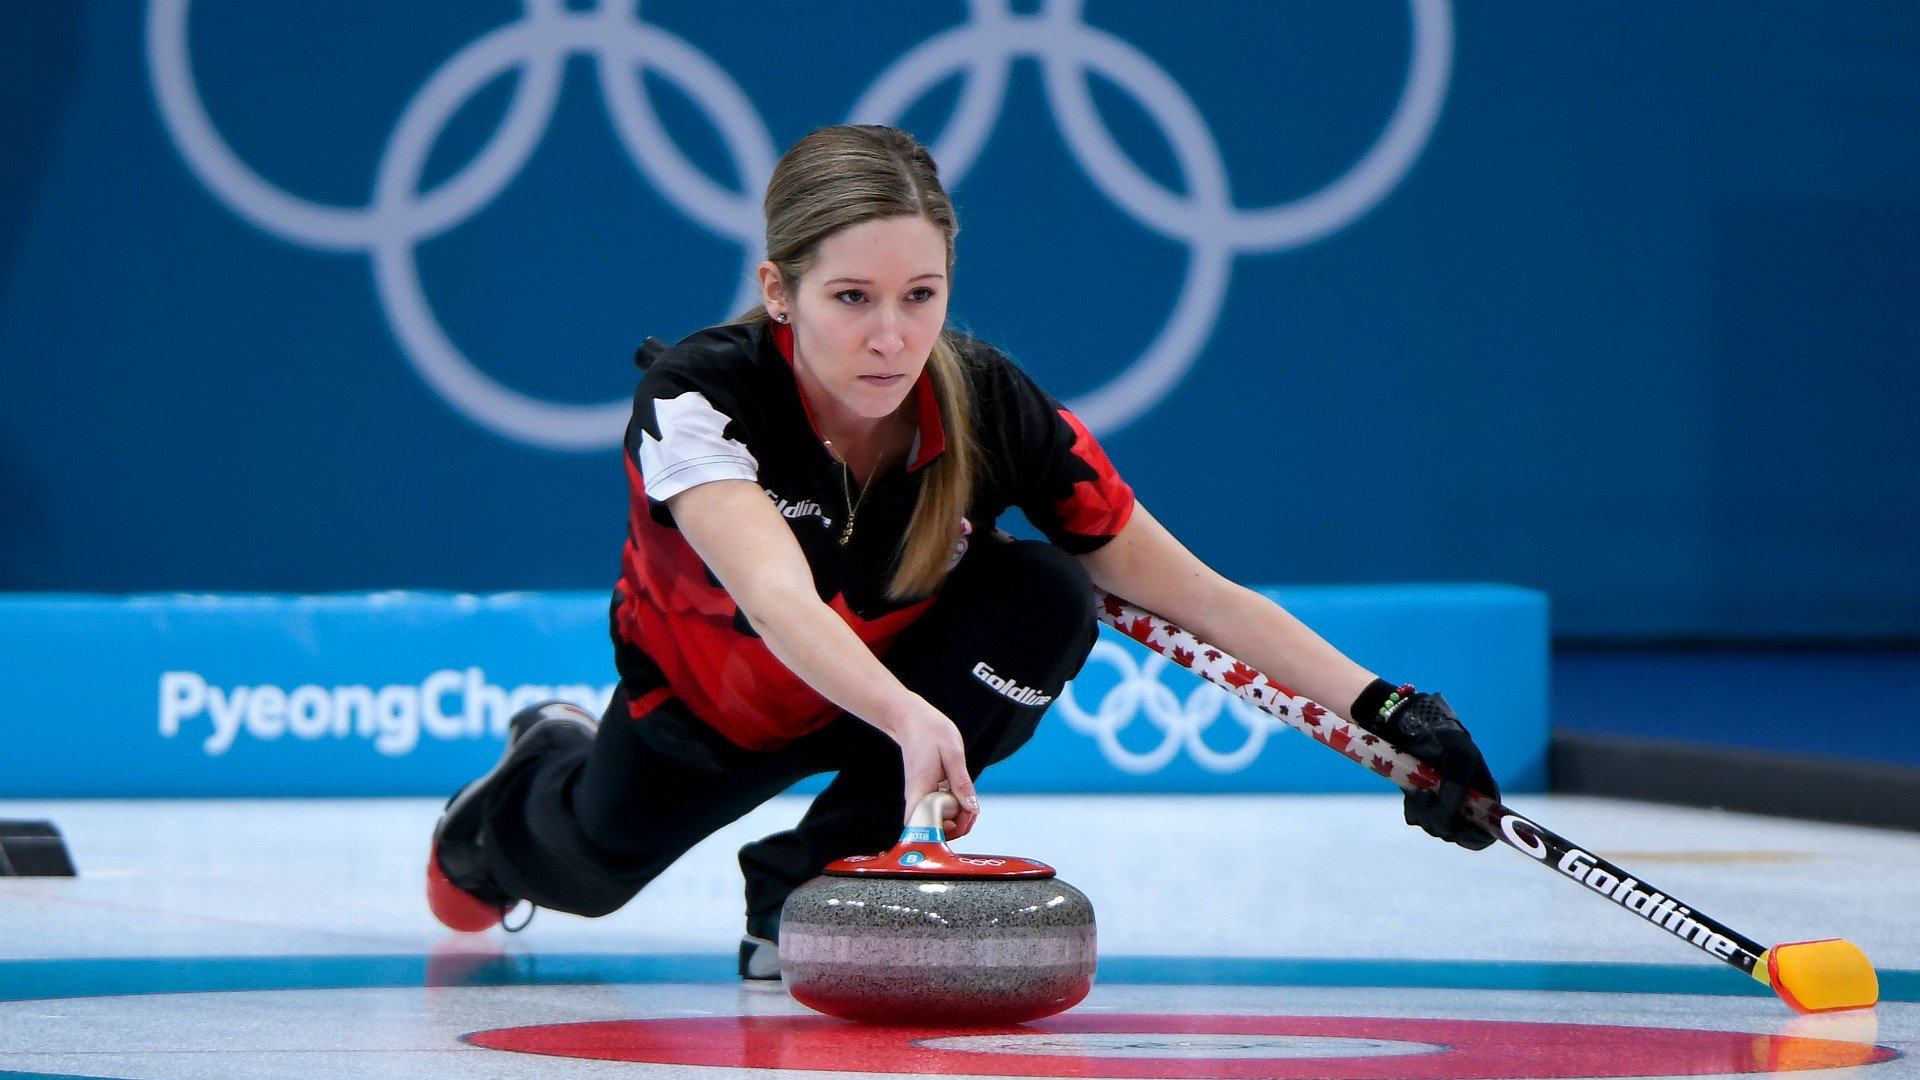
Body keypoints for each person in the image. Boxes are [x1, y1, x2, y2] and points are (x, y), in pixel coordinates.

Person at [426, 124, 1501, 976]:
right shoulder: (698, 399)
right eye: (851, 299)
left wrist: (1394, 711)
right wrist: (905, 717)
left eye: (919, 296)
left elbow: (1200, 598)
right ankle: (528, 781)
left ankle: (806, 895)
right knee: (581, 872)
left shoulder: (989, 404)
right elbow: (778, 600)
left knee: (1047, 593)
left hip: (886, 691)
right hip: (708, 712)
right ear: (777, 292)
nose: (891, 337)